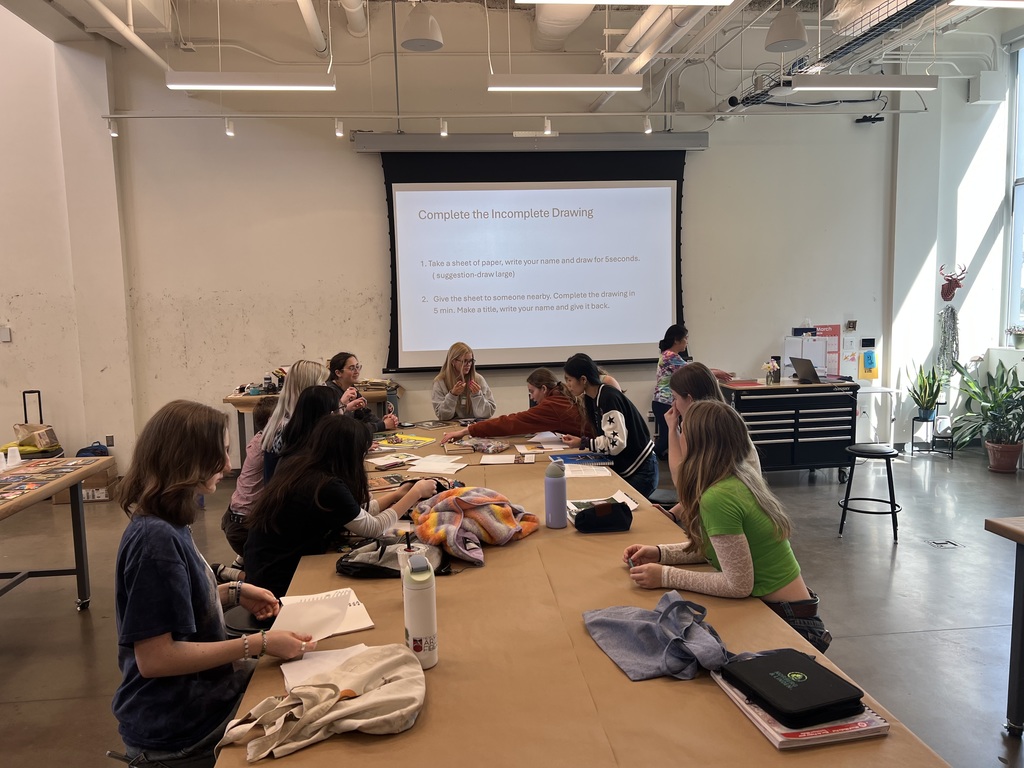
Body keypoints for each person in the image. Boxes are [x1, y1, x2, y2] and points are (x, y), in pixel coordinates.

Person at [112, 400, 314, 768]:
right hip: (180, 731)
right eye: (219, 453)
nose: (226, 465)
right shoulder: (154, 541)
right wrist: (260, 643)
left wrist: (234, 592)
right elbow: (156, 658)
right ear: (185, 459)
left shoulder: (169, 523)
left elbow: (179, 608)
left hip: (202, 703)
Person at [622, 400, 831, 652]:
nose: (678, 437)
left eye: (682, 431)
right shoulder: (736, 477)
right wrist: (660, 553)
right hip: (791, 612)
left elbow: (737, 584)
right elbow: (725, 551)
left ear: (698, 444)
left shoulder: (718, 497)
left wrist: (665, 575)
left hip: (788, 622)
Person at [245, 416, 439, 597]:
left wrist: (396, 495)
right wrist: (415, 494)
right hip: (280, 580)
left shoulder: (306, 467)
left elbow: (354, 513)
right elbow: (372, 528)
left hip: (266, 565)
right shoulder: (326, 485)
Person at [560, 353, 658, 498]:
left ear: (583, 379)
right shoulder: (592, 397)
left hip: (642, 471)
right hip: (628, 467)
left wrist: (584, 443)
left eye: (569, 380)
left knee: (610, 511)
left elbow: (616, 443)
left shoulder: (608, 397)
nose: (568, 386)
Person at [440, 368, 593, 443]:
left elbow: (513, 422)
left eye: (532, 391)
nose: (531, 397)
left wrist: (467, 431)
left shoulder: (553, 405)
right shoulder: (560, 396)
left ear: (544, 389)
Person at [651, 324, 732, 460]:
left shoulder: (670, 355)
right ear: (677, 340)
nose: (687, 342)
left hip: (663, 402)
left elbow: (690, 368)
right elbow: (691, 372)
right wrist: (715, 372)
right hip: (664, 402)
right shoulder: (670, 356)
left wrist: (713, 370)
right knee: (666, 438)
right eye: (685, 338)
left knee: (669, 436)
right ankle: (649, 457)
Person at [219, 396, 276, 562]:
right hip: (244, 526)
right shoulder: (267, 443)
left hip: (237, 520)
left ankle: (242, 564)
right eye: (286, 416)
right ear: (273, 420)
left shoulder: (259, 437)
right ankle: (233, 573)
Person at [261, 359, 329, 482]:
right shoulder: (289, 429)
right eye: (322, 383)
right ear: (309, 389)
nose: (326, 387)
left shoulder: (289, 420)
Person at [327, 351, 398, 432]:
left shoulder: (351, 388)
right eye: (352, 368)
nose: (357, 371)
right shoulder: (329, 392)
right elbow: (347, 427)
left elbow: (365, 414)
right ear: (338, 373)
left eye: (357, 367)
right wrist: (383, 425)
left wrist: (385, 421)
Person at [432, 342, 497, 421]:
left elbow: (487, 414)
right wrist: (452, 395)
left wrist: (477, 396)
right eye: (464, 361)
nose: (468, 364)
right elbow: (443, 416)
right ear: (453, 361)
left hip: (475, 425)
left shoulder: (478, 379)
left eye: (470, 361)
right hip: (451, 426)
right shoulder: (440, 382)